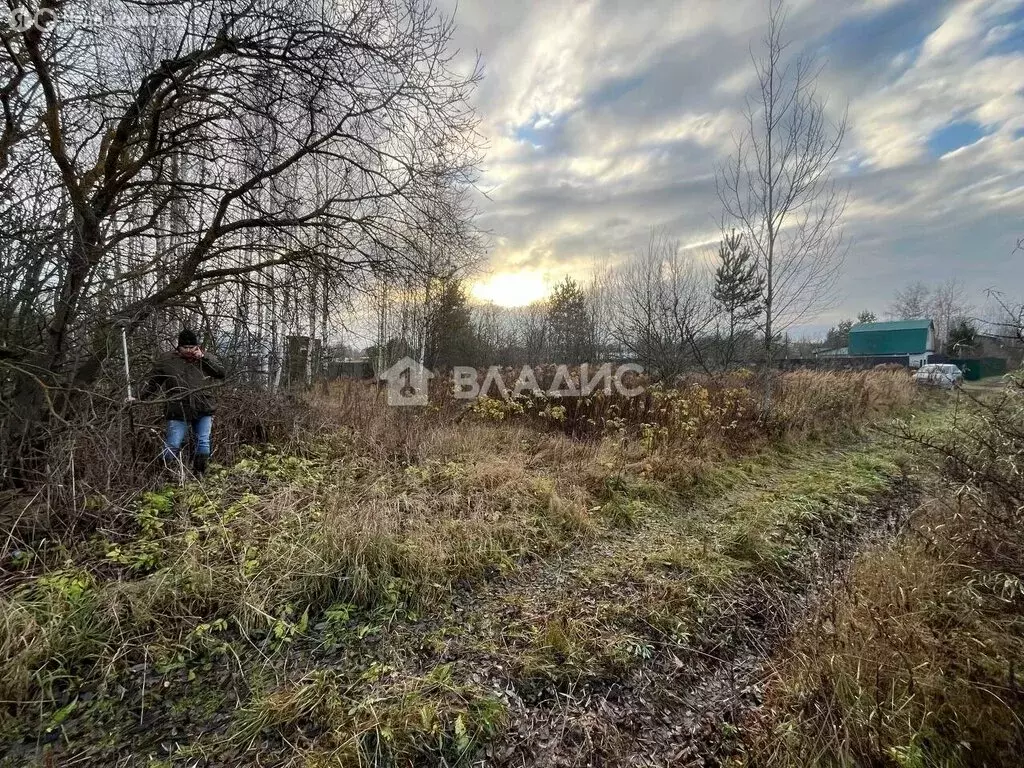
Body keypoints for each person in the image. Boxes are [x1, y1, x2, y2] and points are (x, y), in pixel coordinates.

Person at [142, 329, 226, 474]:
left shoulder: (206, 358)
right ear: (178, 347)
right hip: (177, 408)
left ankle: (199, 475)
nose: (188, 350)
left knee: (203, 442)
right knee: (173, 444)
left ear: (197, 346)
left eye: (191, 347)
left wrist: (203, 358)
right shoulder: (167, 360)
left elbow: (220, 373)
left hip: (203, 407)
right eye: (185, 347)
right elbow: (153, 384)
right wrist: (138, 397)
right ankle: (161, 474)